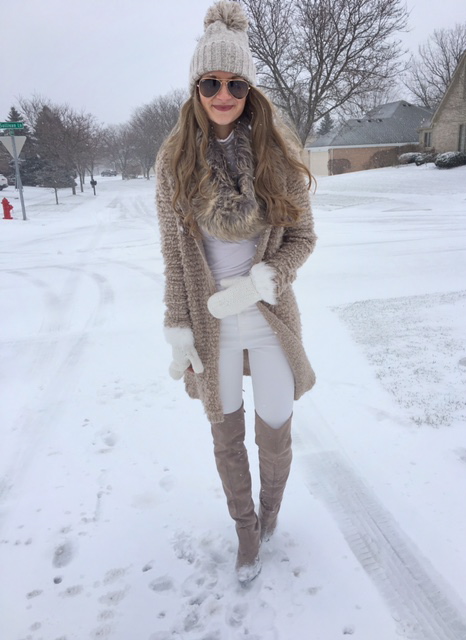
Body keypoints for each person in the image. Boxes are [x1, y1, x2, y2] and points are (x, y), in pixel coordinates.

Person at [155, 0, 316, 584]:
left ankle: (270, 514)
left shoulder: (278, 158)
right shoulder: (174, 163)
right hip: (210, 325)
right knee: (226, 438)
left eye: (235, 84)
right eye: (211, 83)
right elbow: (175, 258)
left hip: (269, 317)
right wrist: (178, 328)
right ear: (195, 90)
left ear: (249, 90)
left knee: (275, 434)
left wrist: (265, 279)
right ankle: (245, 531)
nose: (223, 94)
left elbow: (302, 237)